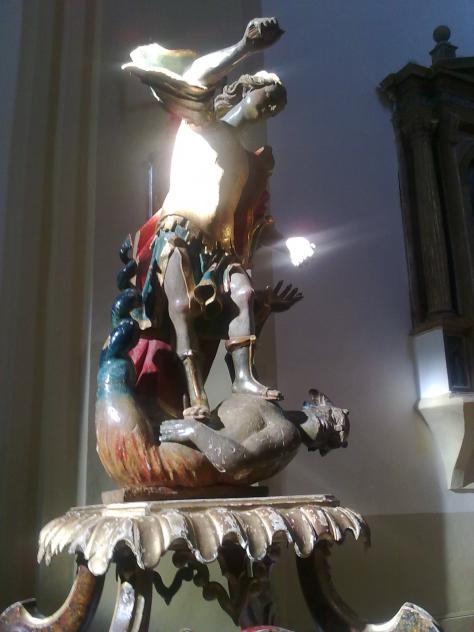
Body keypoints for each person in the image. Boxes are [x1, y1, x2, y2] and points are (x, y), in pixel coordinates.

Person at [123, 18, 288, 420]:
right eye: (267, 97)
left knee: (243, 296)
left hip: (220, 246)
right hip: (180, 232)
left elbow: (249, 217)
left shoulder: (247, 162)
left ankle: (244, 379)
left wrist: (285, 243)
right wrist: (244, 46)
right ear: (243, 91)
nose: (269, 108)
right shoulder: (199, 122)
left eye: (275, 107)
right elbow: (199, 74)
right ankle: (194, 394)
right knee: (181, 309)